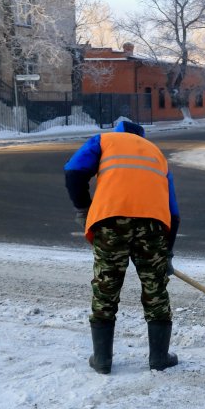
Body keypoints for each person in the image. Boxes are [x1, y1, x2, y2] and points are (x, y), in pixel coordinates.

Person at [64, 120, 180, 374]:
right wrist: (167, 253)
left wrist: (83, 207)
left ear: (118, 132)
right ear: (142, 136)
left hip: (111, 221)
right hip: (154, 225)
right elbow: (174, 212)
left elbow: (74, 171)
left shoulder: (103, 141)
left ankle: (103, 360)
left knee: (106, 285)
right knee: (155, 288)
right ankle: (159, 357)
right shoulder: (155, 152)